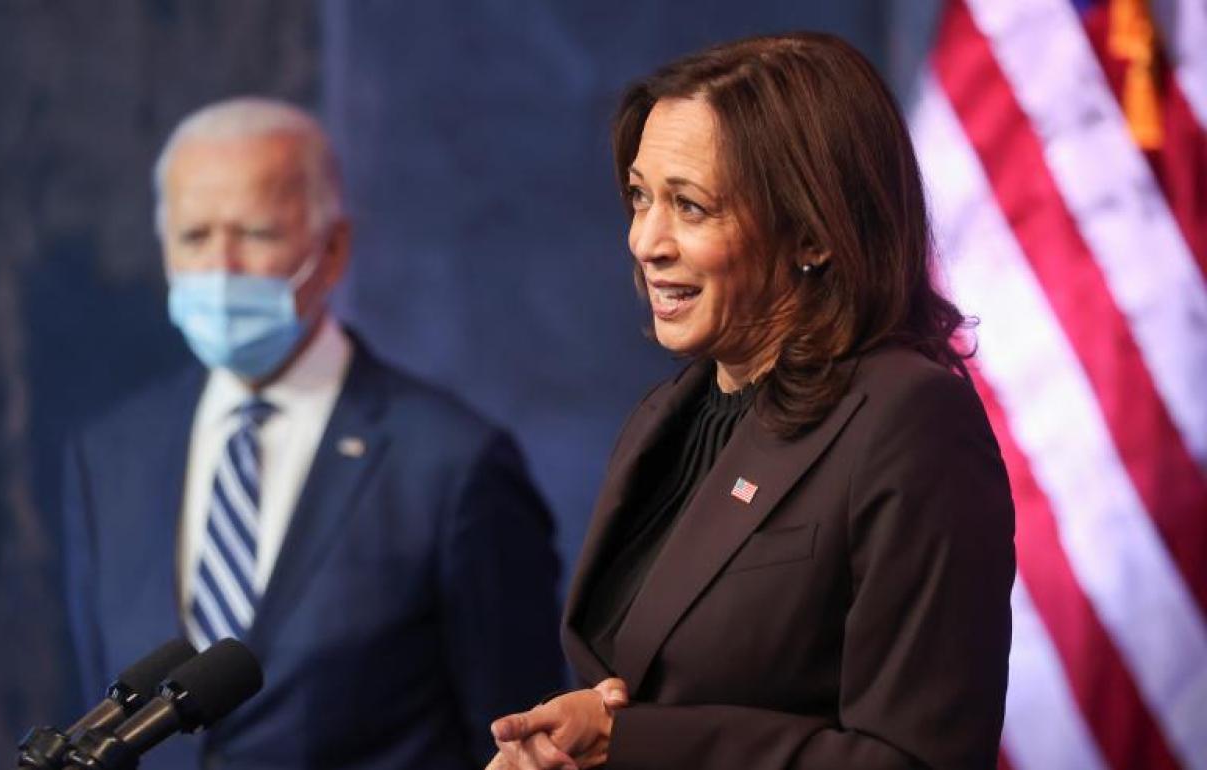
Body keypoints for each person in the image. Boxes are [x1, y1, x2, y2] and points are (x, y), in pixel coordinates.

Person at [487, 33, 1015, 770]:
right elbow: (638, 686)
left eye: (690, 206)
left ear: (813, 235)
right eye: (640, 197)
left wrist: (629, 743)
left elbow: (916, 759)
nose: (646, 241)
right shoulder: (672, 416)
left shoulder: (910, 421)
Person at [62, 97, 564, 770]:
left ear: (332, 250)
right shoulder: (107, 459)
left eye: (256, 233)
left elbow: (519, 741)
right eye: (194, 236)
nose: (221, 266)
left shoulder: (453, 465)